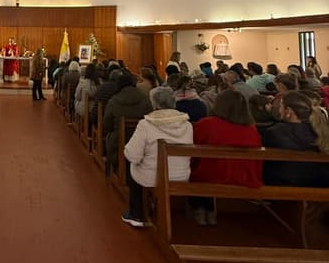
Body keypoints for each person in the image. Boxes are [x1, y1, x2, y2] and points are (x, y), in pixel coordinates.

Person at [121, 87, 193, 227]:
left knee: (133, 164)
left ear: (154, 104)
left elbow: (133, 155)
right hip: (181, 175)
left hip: (152, 177)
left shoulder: (146, 124)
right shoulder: (187, 125)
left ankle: (137, 214)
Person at [189, 89, 263, 224]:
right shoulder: (251, 129)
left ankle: (201, 210)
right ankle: (209, 212)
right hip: (245, 176)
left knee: (199, 170)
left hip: (213, 175)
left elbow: (194, 150)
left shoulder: (207, 124)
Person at [262, 92, 329, 186]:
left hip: (282, 182)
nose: (279, 110)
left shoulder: (275, 131)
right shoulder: (318, 130)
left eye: (281, 106)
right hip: (317, 182)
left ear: (289, 111)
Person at [104, 72, 152, 175]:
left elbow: (107, 125)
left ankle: (111, 171)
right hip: (141, 144)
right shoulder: (145, 99)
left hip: (118, 143)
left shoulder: (114, 100)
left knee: (109, 137)